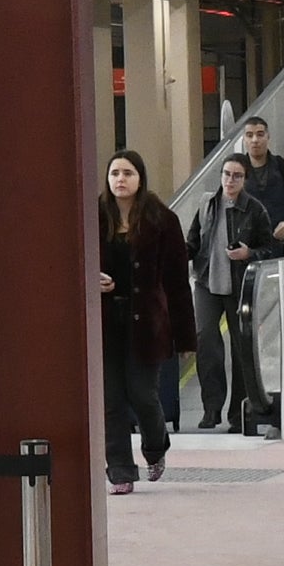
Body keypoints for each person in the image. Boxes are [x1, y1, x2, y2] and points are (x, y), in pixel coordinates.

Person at [190, 113, 284, 432]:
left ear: (268, 137)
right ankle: (212, 408)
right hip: (210, 279)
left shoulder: (281, 173)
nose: (255, 140)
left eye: (260, 134)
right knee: (207, 338)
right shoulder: (213, 199)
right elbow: (192, 241)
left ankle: (240, 411)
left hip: (255, 270)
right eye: (249, 135)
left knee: (245, 342)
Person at [98, 148, 198, 490]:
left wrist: (186, 338)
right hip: (106, 323)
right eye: (114, 174)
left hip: (147, 324)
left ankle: (155, 447)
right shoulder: (94, 216)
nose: (120, 180)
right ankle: (121, 471)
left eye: (127, 173)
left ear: (140, 179)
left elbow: (177, 283)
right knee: (110, 399)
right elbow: (70, 264)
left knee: (143, 394)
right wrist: (92, 279)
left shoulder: (161, 219)